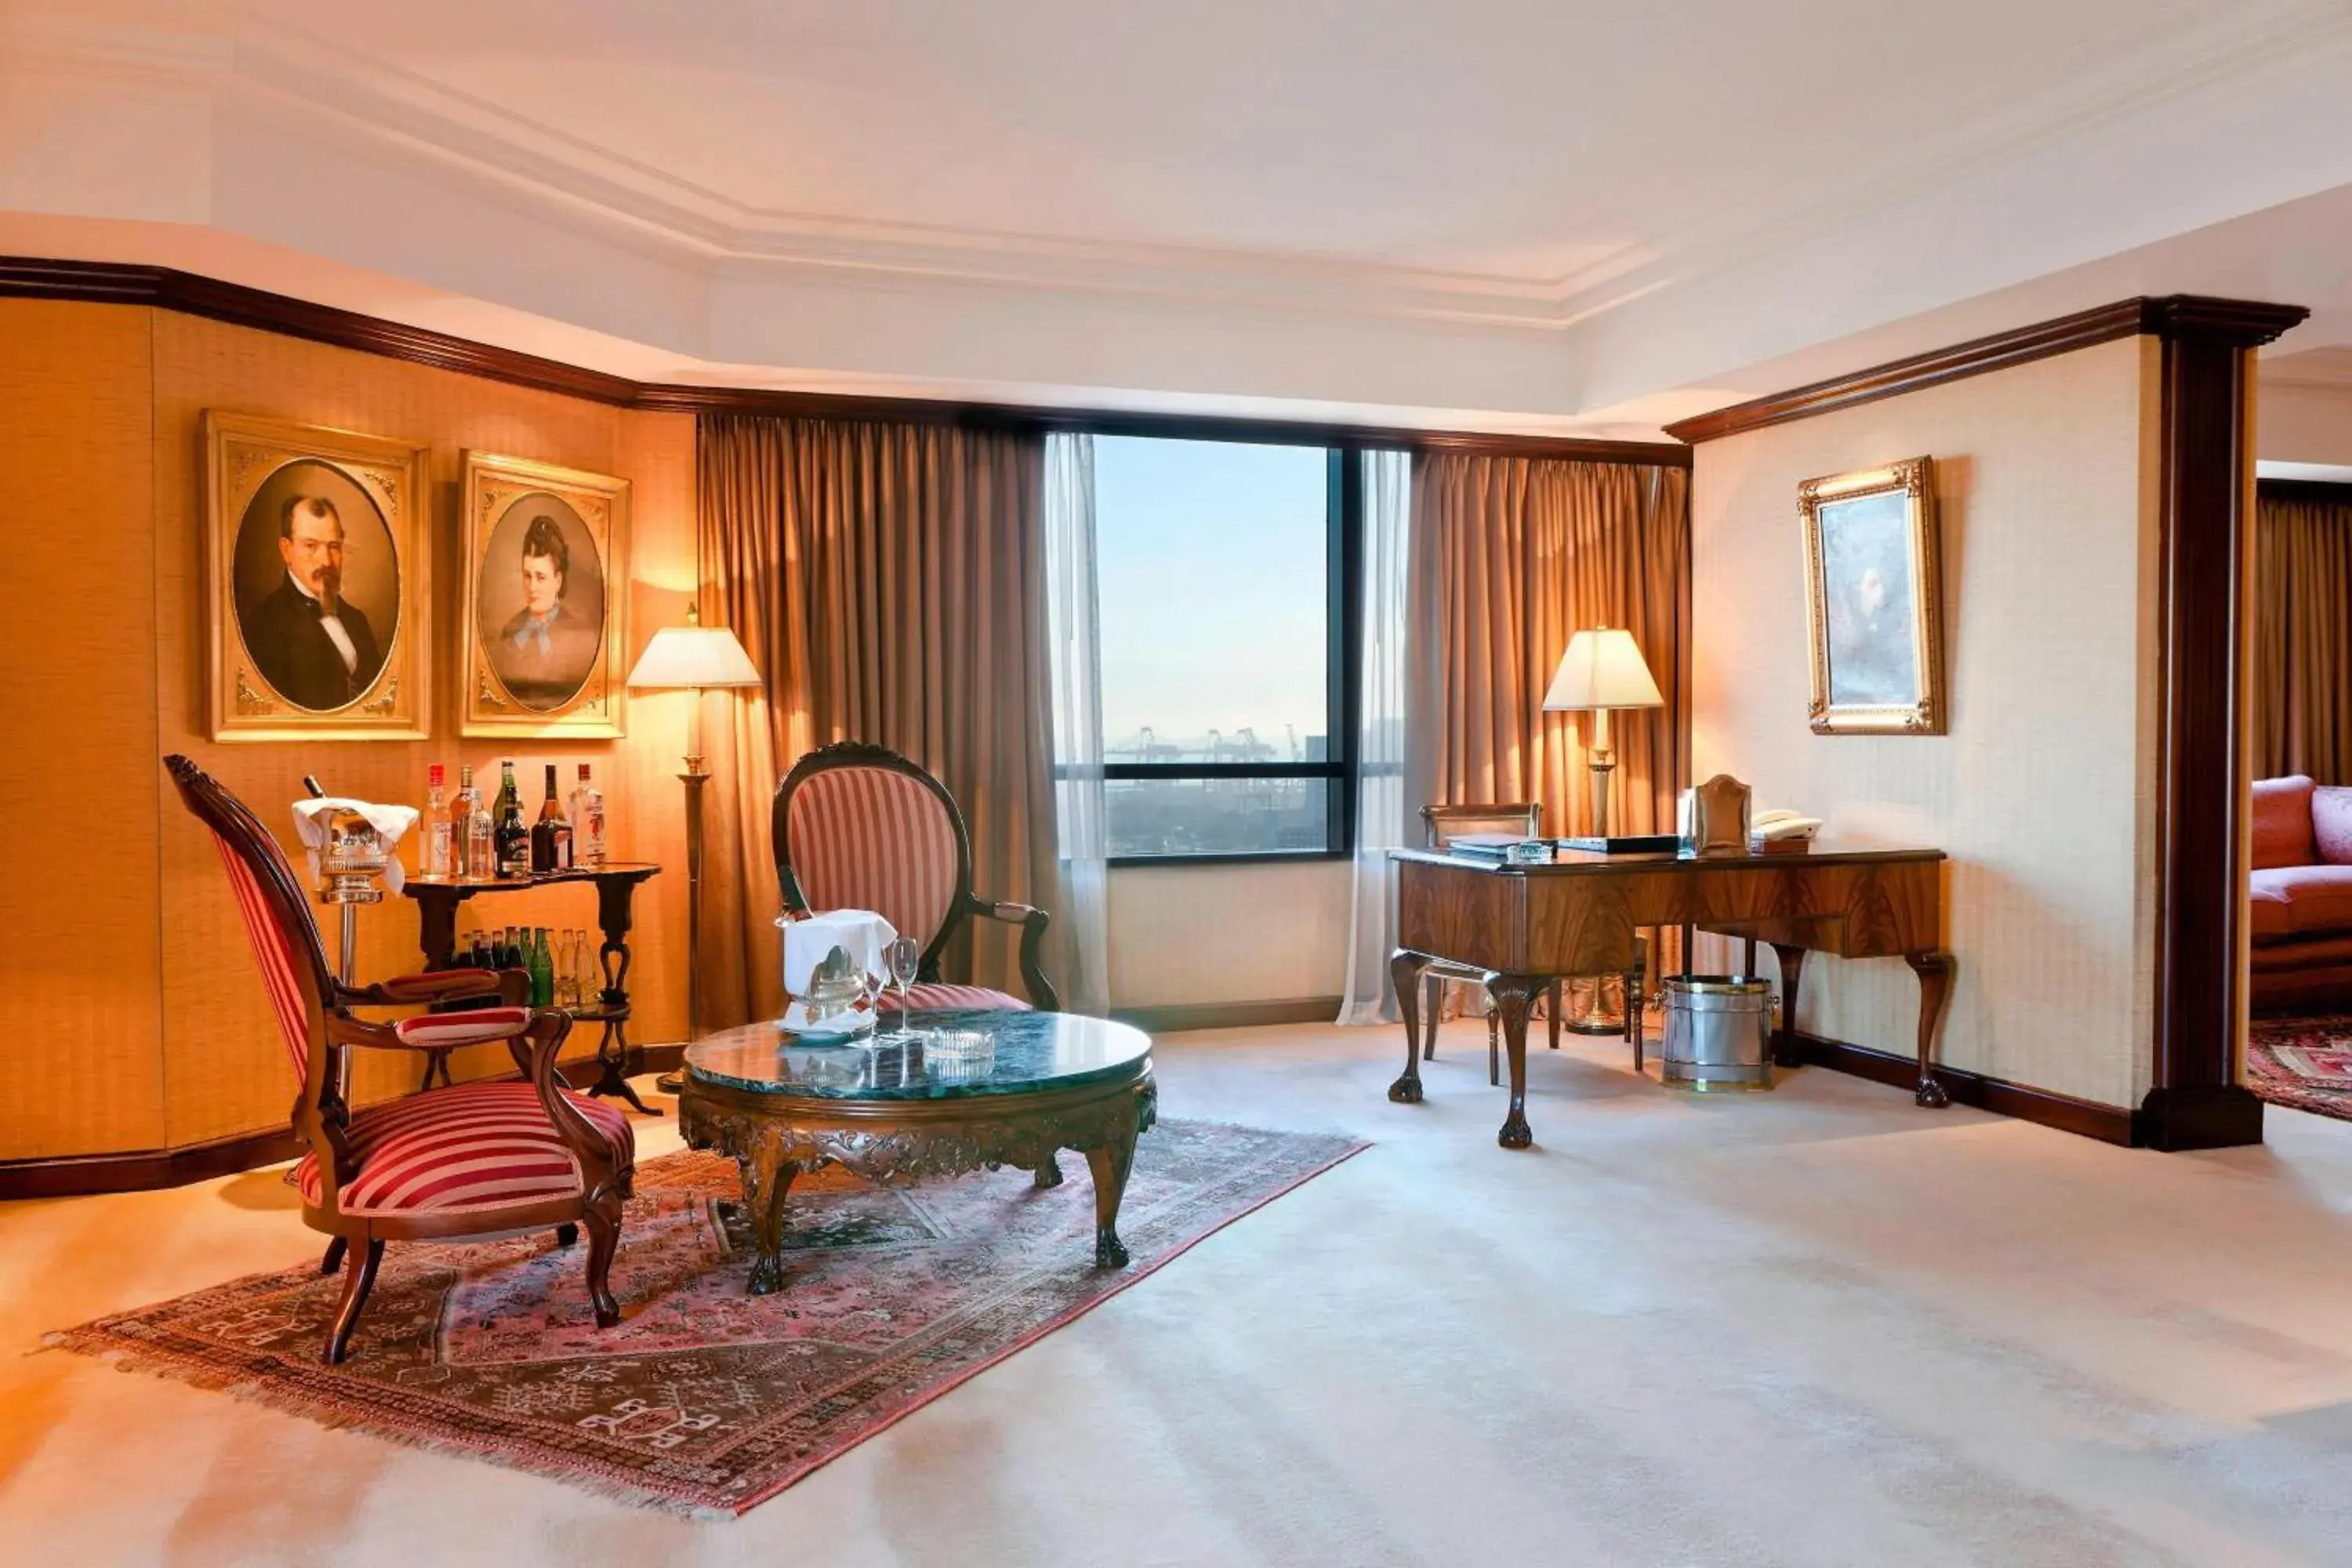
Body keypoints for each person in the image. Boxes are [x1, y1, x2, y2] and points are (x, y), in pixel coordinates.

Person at [240, 494, 384, 711]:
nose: (326, 561)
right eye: (311, 546)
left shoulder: (357, 620)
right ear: (286, 550)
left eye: (334, 546)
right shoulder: (263, 626)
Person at [490, 513, 601, 710]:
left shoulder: (583, 639)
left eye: (541, 577)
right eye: (527, 576)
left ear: (558, 580)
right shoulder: (510, 632)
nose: (532, 587)